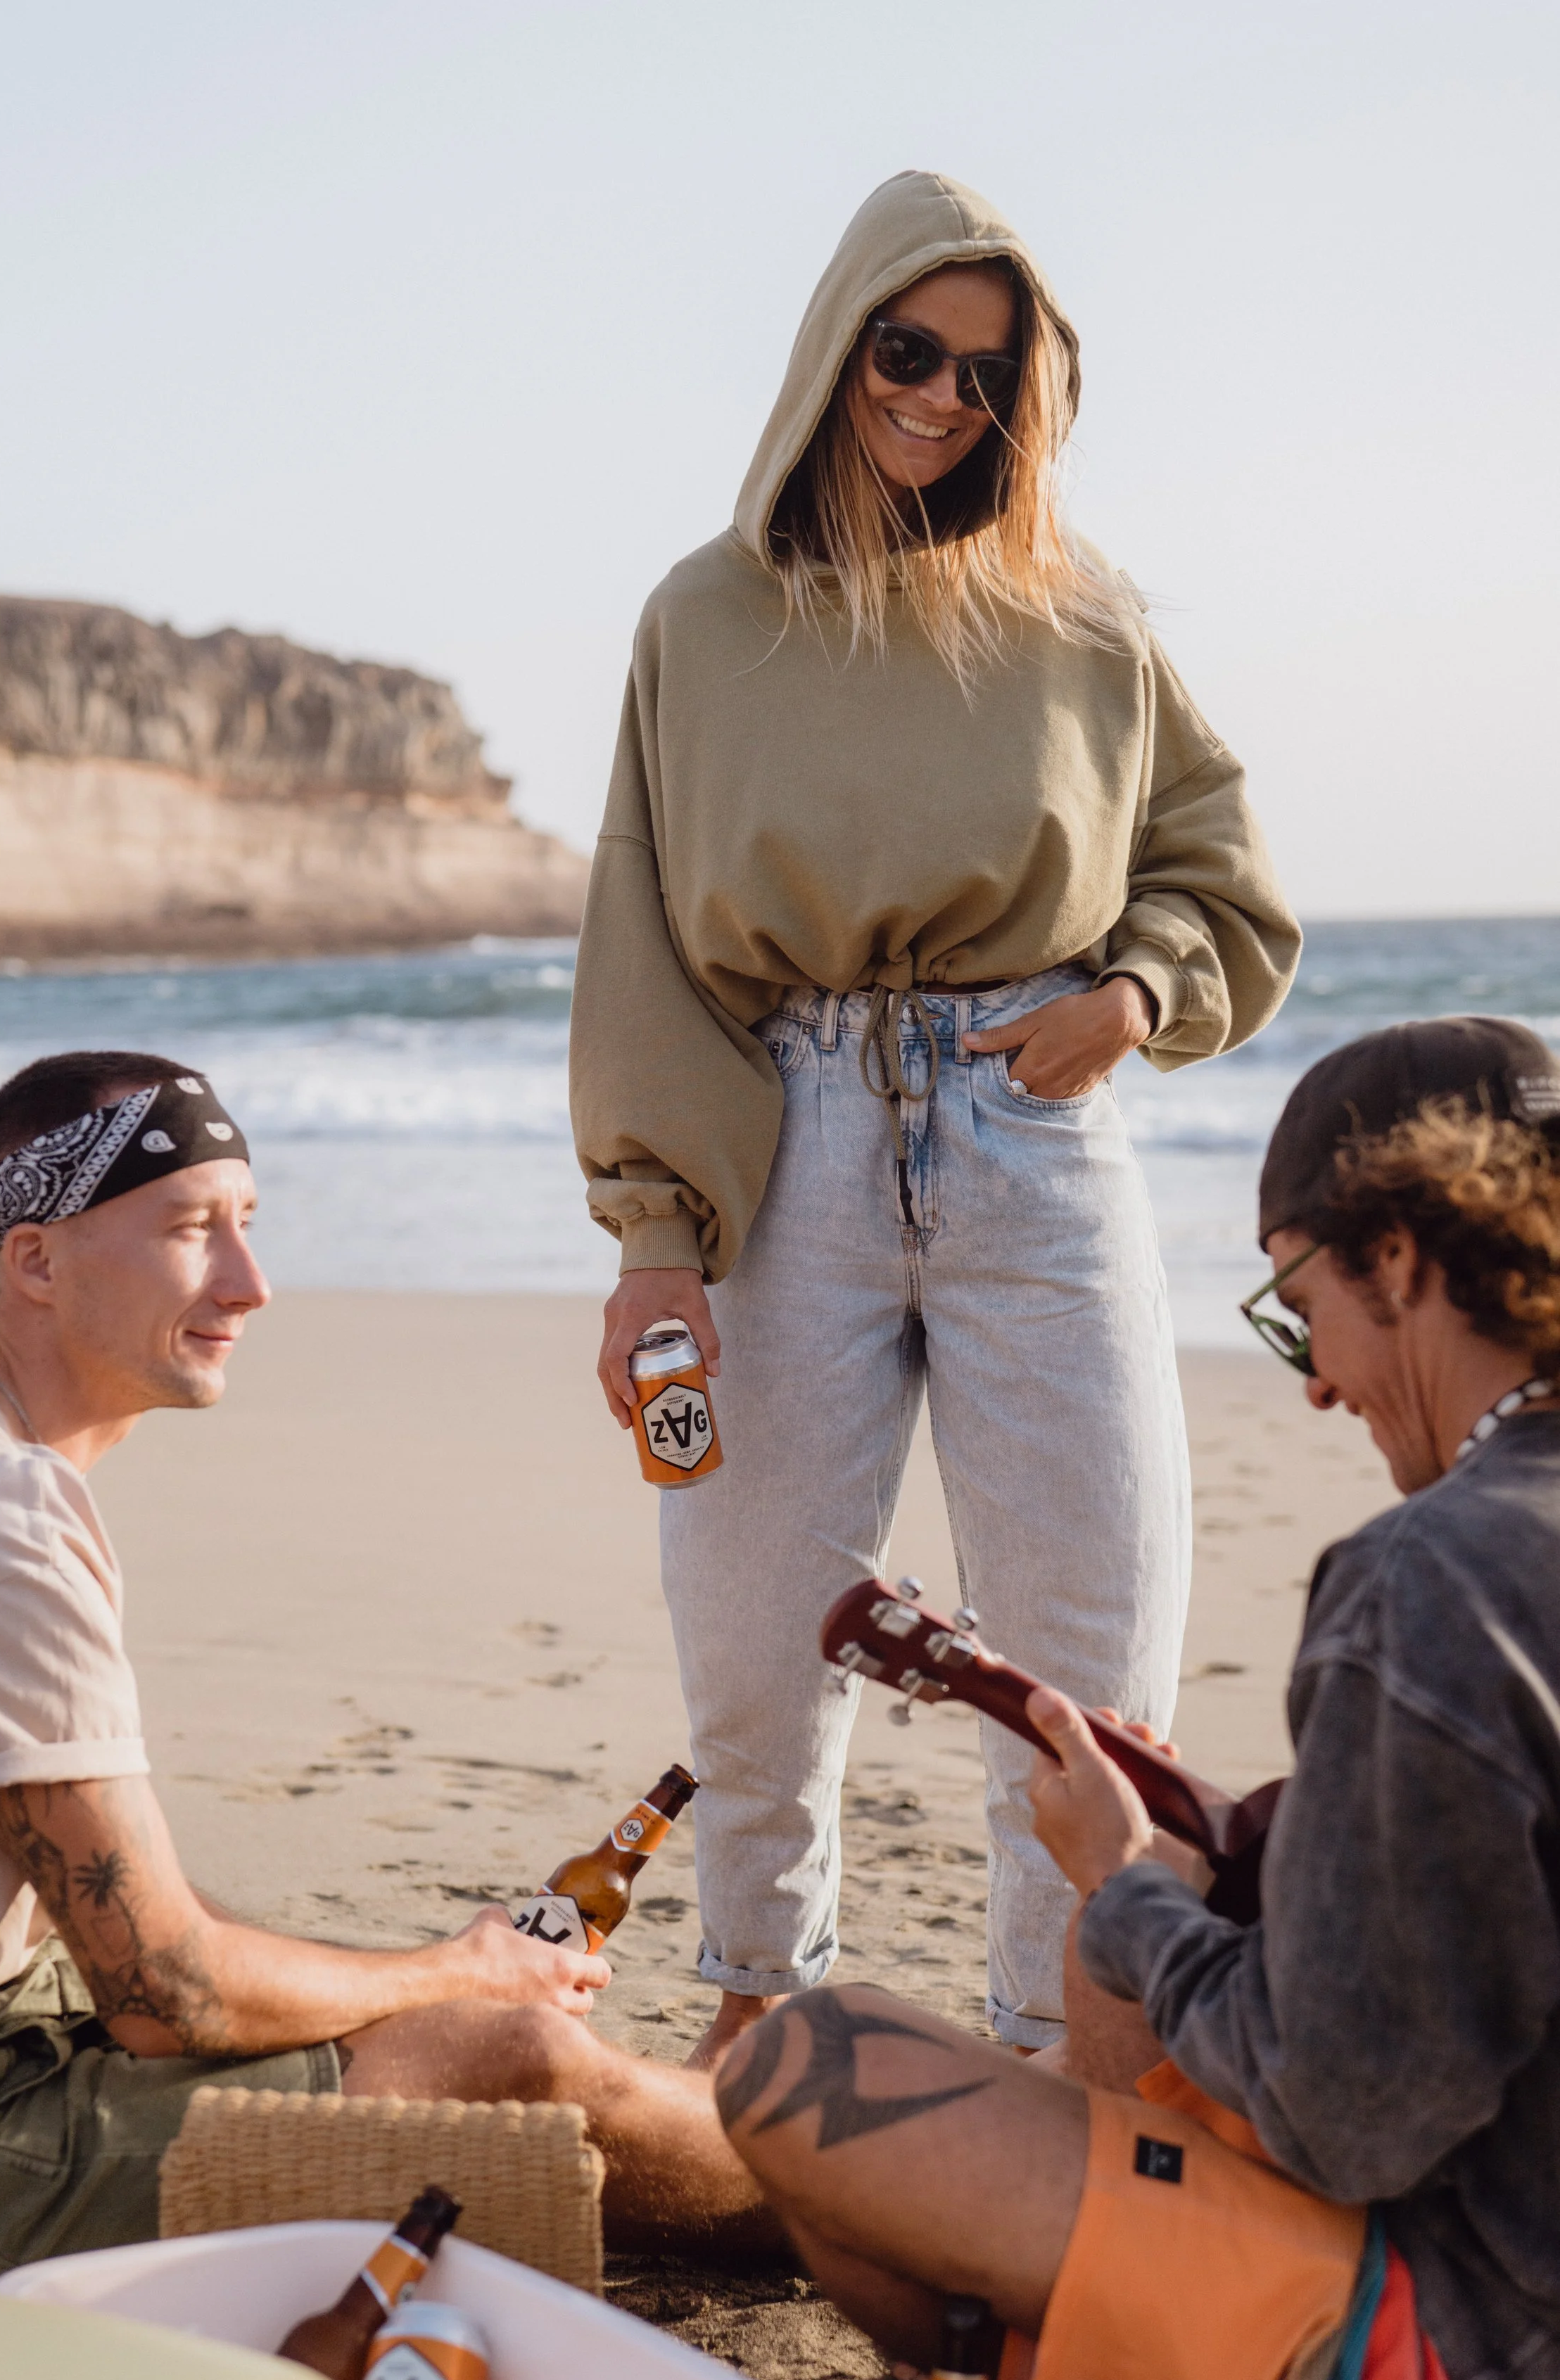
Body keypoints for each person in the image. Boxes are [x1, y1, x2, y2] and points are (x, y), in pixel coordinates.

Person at [571, 168, 1299, 2070]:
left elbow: (1220, 870)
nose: (938, 399)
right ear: (838, 345)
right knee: (751, 1647)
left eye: (987, 376)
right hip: (780, 1138)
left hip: (1033, 1141)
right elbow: (645, 935)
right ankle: (757, 2041)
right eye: (909, 351)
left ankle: (1050, 2081)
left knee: (1084, 1666)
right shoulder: (703, 618)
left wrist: (1130, 998)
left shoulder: (1083, 615)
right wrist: (653, 1236)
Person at [712, 1017, 1560, 2380]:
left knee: (799, 2061)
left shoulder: (1437, 1578)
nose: (1317, 1390)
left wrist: (1131, 1891)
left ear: (1396, 1254)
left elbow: (1348, 2119)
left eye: (1302, 1313)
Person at [0, 1050, 766, 2285]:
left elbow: (131, 1924)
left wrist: (414, 1986)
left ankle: (773, 2141)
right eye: (193, 1230)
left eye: (248, 1226)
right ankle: (884, 2202)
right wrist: (464, 1971)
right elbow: (162, 1991)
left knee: (404, 2005)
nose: (251, 1284)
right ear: (36, 1260)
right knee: (514, 2060)